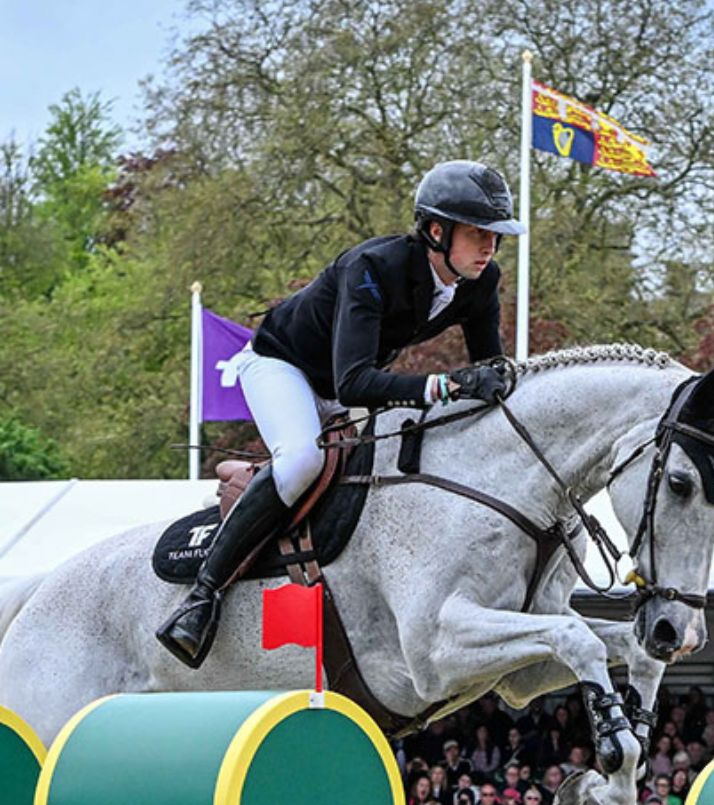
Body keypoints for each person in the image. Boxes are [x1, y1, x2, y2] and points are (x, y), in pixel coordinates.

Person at [155, 160, 525, 667]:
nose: (490, 247)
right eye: (478, 233)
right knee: (303, 459)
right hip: (282, 366)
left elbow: (488, 367)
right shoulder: (372, 268)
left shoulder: (482, 280)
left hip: (345, 382)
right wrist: (447, 384)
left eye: (496, 236)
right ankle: (202, 597)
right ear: (437, 231)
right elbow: (355, 382)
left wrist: (499, 384)